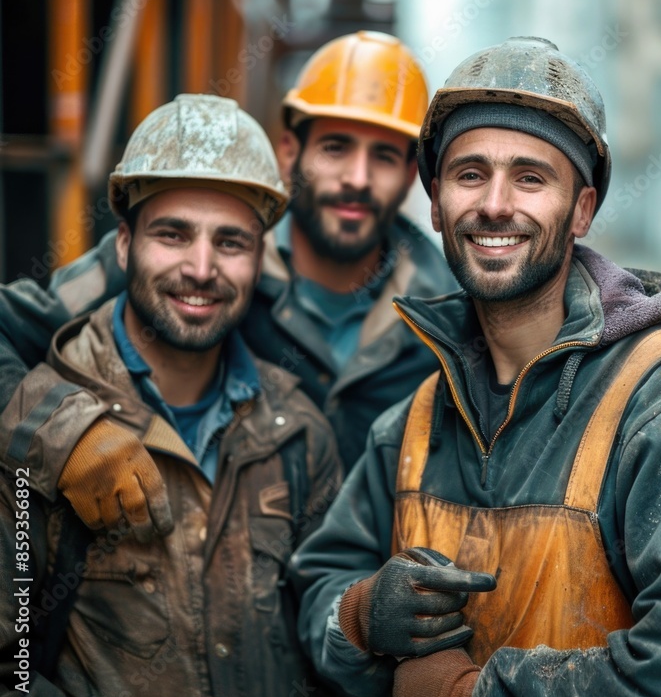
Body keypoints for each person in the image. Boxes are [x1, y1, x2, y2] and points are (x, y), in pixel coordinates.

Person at [289, 36, 661, 697]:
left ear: (581, 209)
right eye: (469, 175)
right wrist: (357, 614)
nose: (495, 205)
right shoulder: (413, 426)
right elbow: (320, 581)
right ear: (434, 203)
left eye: (530, 178)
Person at [0, 31, 456, 541]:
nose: (356, 177)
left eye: (385, 157)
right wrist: (68, 433)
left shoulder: (445, 314)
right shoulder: (168, 260)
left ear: (412, 174)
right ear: (290, 152)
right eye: (335, 147)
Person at [0, 94, 342, 697]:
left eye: (231, 242)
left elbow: (324, 650)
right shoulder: (35, 435)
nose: (202, 267)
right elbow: (11, 675)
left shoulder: (300, 432)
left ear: (261, 259)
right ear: (124, 245)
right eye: (173, 234)